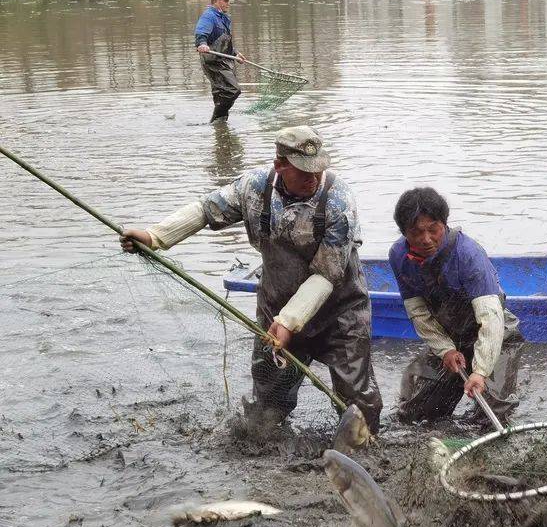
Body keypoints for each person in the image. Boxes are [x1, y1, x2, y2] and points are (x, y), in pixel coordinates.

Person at [120, 126, 383, 437]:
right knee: (267, 404)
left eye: (317, 169)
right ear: (281, 165)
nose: (313, 177)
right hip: (277, 306)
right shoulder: (255, 188)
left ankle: (366, 455)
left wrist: (289, 321)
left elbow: (326, 275)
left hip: (339, 313)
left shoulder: (338, 202)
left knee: (357, 402)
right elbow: (207, 209)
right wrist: (156, 237)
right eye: (303, 171)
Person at [389, 187, 525, 424]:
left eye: (433, 229)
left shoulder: (467, 254)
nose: (426, 239)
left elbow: (491, 318)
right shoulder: (398, 255)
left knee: (493, 417)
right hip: (451, 338)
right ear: (404, 233)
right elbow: (418, 312)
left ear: (444, 223)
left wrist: (480, 372)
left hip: (496, 334)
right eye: (416, 232)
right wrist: (445, 350)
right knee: (416, 414)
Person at [195, 0, 245, 123]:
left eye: (229, 0)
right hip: (213, 61)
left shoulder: (225, 18)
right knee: (233, 90)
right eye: (225, 0)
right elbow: (201, 32)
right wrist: (201, 43)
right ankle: (215, 121)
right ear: (216, 1)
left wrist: (235, 53)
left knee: (221, 95)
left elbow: (224, 40)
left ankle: (221, 126)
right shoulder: (209, 16)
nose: (228, 3)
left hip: (225, 60)